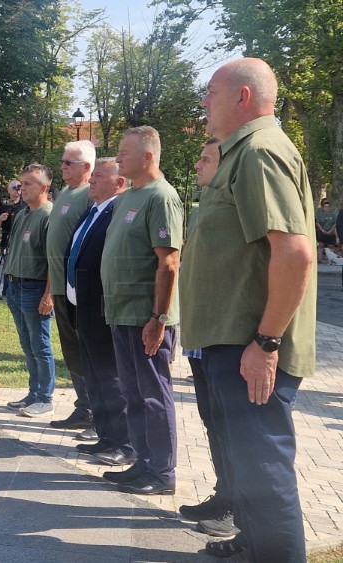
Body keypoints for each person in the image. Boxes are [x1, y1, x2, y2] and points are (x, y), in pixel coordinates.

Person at [181, 57, 316, 562]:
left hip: (250, 346)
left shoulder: (259, 151)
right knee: (245, 462)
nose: (203, 102)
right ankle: (252, 545)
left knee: (262, 468)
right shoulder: (241, 153)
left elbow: (295, 254)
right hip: (233, 341)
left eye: (211, 92)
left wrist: (266, 342)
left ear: (242, 97)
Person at [100, 126, 183, 496]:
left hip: (146, 318)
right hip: (121, 314)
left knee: (152, 394)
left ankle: (162, 472)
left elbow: (168, 264)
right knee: (133, 393)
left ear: (148, 156)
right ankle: (142, 462)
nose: (118, 158)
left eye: (124, 153)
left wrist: (159, 318)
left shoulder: (161, 197)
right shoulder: (128, 197)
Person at [177, 138, 239, 539]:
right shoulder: (201, 209)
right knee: (212, 422)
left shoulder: (233, 209)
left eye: (205, 159)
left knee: (232, 428)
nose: (197, 165)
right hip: (200, 339)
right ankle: (224, 493)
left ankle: (236, 509)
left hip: (224, 336)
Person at [65, 158, 133, 466]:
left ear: (118, 184)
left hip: (102, 307)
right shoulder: (94, 211)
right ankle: (105, 436)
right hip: (84, 307)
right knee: (94, 376)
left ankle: (123, 442)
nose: (91, 181)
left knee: (110, 377)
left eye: (99, 177)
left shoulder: (117, 212)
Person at [47, 141, 94, 434]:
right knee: (71, 351)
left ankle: (97, 412)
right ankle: (84, 407)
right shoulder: (65, 192)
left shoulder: (90, 194)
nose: (62, 166)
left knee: (86, 350)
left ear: (87, 167)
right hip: (60, 287)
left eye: (68, 163)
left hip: (78, 287)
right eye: (62, 161)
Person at [4, 164, 56, 417]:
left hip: (34, 288)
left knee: (40, 344)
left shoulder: (48, 215)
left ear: (44, 188)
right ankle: (33, 393)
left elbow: (53, 260)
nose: (21, 188)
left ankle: (45, 397)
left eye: (28, 184)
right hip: (14, 286)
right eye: (21, 184)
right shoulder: (23, 213)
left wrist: (49, 294)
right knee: (27, 344)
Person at [0, 179, 27, 297]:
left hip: (21, 241)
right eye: (14, 188)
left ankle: (19, 291)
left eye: (19, 187)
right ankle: (6, 292)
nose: (17, 190)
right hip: (7, 240)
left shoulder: (25, 204)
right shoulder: (5, 206)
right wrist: (0, 218)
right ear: (9, 190)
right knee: (8, 267)